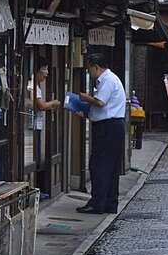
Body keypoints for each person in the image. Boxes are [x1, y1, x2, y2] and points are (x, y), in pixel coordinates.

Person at [74, 53, 127, 214]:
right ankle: (109, 202)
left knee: (99, 165)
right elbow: (103, 107)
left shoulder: (108, 80)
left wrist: (85, 98)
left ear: (96, 67)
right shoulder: (109, 79)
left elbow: (100, 102)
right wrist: (87, 114)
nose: (89, 73)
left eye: (90, 69)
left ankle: (97, 203)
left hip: (108, 127)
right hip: (112, 125)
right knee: (110, 166)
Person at [31, 57, 61, 191]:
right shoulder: (32, 84)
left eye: (47, 68)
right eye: (44, 69)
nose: (47, 72)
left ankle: (36, 191)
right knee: (35, 159)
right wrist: (53, 103)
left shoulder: (36, 85)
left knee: (37, 158)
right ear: (36, 71)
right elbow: (41, 105)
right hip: (32, 126)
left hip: (36, 125)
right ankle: (34, 191)